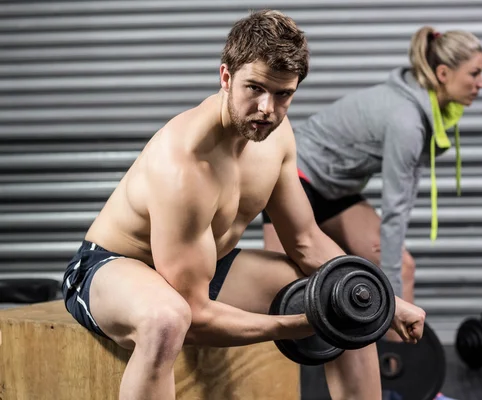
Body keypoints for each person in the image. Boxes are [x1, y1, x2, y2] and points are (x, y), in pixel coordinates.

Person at [61, 10, 425, 400]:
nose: (267, 108)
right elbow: (194, 315)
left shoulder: (277, 137)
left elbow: (305, 240)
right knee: (166, 320)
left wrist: (385, 301)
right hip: (111, 268)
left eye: (283, 94)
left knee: (343, 294)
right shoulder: (184, 163)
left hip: (205, 267)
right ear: (226, 77)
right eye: (255, 88)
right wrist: (296, 324)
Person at [262, 26, 482, 400]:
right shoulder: (407, 120)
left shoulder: (427, 109)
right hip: (294, 177)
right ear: (443, 74)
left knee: (403, 267)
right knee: (283, 291)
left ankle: (404, 383)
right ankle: (278, 389)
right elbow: (396, 213)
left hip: (335, 190)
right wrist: (393, 302)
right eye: (475, 73)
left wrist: (394, 297)